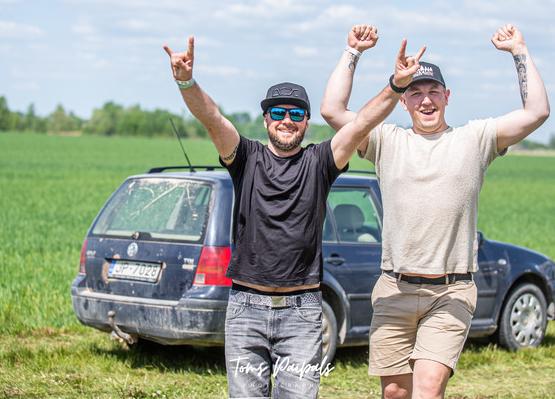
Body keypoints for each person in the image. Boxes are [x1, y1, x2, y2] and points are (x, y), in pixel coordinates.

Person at [163, 31, 422, 399]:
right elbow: (213, 118)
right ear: (266, 119)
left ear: (306, 122)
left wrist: (397, 85)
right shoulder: (245, 157)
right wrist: (186, 81)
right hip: (245, 309)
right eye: (279, 113)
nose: (287, 120)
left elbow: (362, 123)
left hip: (301, 313)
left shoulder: (320, 162)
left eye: (296, 113)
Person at [321, 24, 549, 399]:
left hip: (451, 291)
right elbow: (332, 110)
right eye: (415, 93)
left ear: (446, 97)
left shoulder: (475, 139)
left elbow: (537, 112)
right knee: (394, 391)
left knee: (428, 389)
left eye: (433, 92)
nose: (425, 100)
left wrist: (519, 51)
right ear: (403, 101)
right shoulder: (384, 140)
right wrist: (352, 52)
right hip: (394, 287)